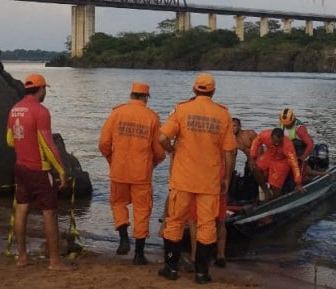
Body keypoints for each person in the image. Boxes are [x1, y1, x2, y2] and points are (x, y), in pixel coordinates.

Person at [157, 73, 236, 284]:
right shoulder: (223, 114)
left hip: (183, 179)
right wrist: (226, 178)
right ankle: (202, 274)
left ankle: (171, 268)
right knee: (207, 225)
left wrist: (172, 149)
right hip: (209, 181)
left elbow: (162, 137)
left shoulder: (182, 110)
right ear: (213, 91)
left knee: (174, 222)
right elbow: (229, 152)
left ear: (194, 90)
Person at [6, 74, 74, 271]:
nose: (45, 93)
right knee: (49, 213)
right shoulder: (40, 111)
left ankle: (22, 257)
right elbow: (48, 144)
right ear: (41, 89)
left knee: (21, 210)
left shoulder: (14, 109)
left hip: (20, 167)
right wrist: (61, 170)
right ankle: (55, 261)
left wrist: (24, 144)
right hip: (39, 169)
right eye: (45, 89)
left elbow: (10, 140)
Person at [98, 82, 165, 265]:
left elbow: (104, 143)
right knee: (142, 211)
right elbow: (159, 151)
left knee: (118, 203)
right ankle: (139, 254)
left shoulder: (117, 113)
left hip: (119, 170)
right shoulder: (152, 117)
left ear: (131, 95)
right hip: (141, 173)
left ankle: (123, 238)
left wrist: (113, 160)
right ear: (146, 97)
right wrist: (153, 164)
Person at [249, 127, 306, 201]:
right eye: (274, 141)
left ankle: (274, 200)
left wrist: (298, 183)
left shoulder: (288, 145)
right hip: (269, 155)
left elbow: (294, 164)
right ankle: (266, 191)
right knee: (254, 167)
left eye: (278, 142)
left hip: (282, 161)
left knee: (275, 187)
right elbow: (256, 142)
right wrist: (252, 157)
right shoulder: (264, 135)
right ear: (271, 137)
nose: (276, 144)